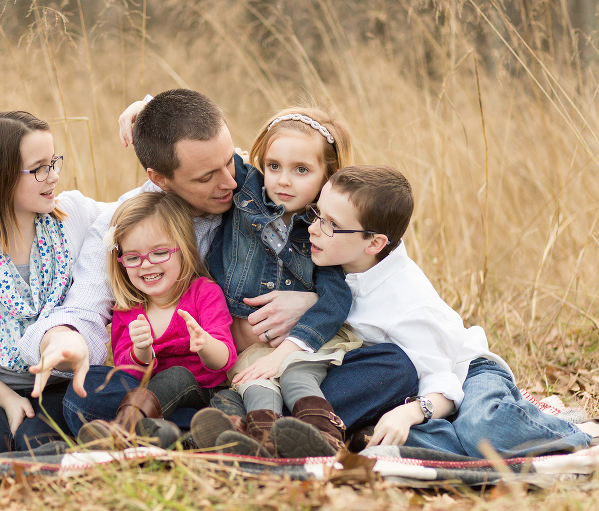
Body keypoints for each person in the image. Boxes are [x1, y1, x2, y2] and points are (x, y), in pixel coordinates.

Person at [21, 90, 418, 439]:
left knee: (394, 366)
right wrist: (64, 340)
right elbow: (85, 306)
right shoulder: (127, 224)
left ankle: (219, 432)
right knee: (87, 394)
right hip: (204, 380)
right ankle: (247, 431)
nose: (230, 182)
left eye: (232, 161)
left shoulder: (277, 198)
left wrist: (309, 304)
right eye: (208, 176)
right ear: (160, 178)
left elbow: (357, 270)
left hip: (297, 364)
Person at [271, 164, 597, 458]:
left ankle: (578, 433)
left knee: (481, 431)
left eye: (330, 224)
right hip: (399, 383)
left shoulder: (409, 303)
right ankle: (446, 439)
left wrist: (409, 413)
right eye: (317, 214)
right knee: (375, 439)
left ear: (374, 244)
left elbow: (444, 385)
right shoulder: (336, 257)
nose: (313, 228)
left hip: (464, 373)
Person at [190, 107, 362, 458]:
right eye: (274, 166)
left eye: (301, 170)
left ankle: (324, 439)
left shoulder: (323, 232)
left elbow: (335, 299)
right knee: (255, 383)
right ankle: (267, 444)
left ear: (327, 177)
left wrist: (286, 352)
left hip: (302, 344)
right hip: (250, 347)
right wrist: (142, 109)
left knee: (297, 377)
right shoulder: (247, 191)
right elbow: (194, 140)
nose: (283, 180)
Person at [0, 111, 105, 459]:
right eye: (39, 168)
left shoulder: (73, 215)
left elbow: (138, 207)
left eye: (54, 162)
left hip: (59, 383)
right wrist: (7, 399)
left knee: (39, 447)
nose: (53, 176)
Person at [76, 192, 237, 447]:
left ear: (183, 248)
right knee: (90, 381)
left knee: (190, 384)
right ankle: (163, 439)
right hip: (154, 407)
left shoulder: (203, 292)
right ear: (121, 262)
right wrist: (141, 351)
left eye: (159, 252)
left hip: (205, 395)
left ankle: (122, 433)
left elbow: (224, 360)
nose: (146, 265)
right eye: (132, 257)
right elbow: (128, 374)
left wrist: (205, 344)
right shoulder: (127, 310)